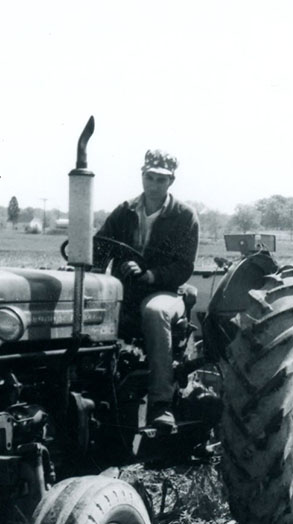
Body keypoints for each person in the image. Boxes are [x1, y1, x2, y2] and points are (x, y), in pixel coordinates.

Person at [95, 149, 199, 428]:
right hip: (125, 291)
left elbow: (183, 267)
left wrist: (151, 275)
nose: (154, 184)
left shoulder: (184, 216)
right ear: (142, 176)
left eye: (161, 180)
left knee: (154, 312)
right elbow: (100, 247)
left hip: (165, 291)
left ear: (171, 182)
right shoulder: (125, 211)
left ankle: (161, 403)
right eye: (150, 177)